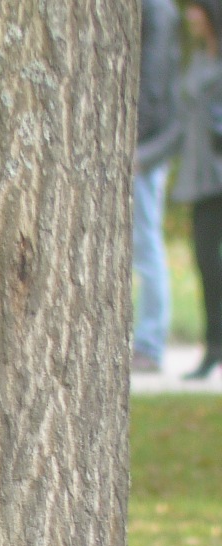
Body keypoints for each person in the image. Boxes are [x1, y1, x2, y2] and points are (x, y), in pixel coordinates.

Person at [141, 0, 222, 379]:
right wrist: (146, 156)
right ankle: (214, 347)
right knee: (206, 263)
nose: (190, 17)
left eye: (196, 10)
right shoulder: (200, 59)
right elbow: (182, 125)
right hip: (202, 177)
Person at [132, 0, 181, 374]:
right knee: (142, 242)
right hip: (148, 138)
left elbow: (153, 80)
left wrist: (136, 144)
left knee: (145, 242)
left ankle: (150, 343)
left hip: (146, 143)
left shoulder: (156, 9)